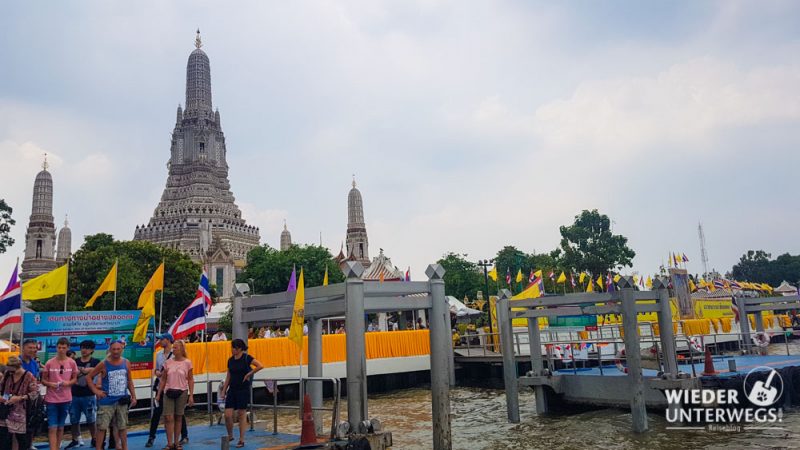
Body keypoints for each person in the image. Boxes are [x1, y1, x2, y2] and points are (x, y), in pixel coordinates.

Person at [87, 341, 136, 450]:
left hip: (122, 400)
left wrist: (134, 396)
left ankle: (124, 447)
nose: (116, 351)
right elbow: (89, 377)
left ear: (122, 349)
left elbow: (129, 380)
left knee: (122, 427)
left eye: (118, 349)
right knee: (101, 427)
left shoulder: (126, 362)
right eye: (113, 349)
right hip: (106, 402)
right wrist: (96, 391)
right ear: (110, 349)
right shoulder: (103, 363)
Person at [146, 333, 188, 448]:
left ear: (168, 340)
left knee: (178, 413)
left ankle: (183, 435)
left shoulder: (176, 356)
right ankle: (151, 436)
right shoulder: (159, 355)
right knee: (158, 413)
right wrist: (157, 373)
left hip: (175, 386)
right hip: (162, 387)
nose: (160, 341)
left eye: (162, 339)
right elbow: (157, 369)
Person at [221, 339, 264, 448]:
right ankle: (230, 435)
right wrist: (224, 390)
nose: (232, 350)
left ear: (239, 348)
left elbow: (260, 365)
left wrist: (249, 374)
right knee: (227, 414)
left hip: (243, 389)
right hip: (232, 389)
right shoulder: (230, 360)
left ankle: (241, 439)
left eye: (234, 348)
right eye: (232, 347)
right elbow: (228, 376)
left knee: (241, 413)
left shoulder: (246, 358)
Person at [42, 337, 79, 450]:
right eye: (59, 347)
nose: (61, 349)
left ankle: (57, 447)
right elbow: (43, 380)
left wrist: (67, 383)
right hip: (51, 399)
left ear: (68, 348)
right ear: (56, 347)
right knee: (52, 427)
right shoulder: (49, 362)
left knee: (61, 426)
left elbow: (74, 379)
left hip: (66, 398)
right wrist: (50, 384)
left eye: (64, 347)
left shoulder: (72, 362)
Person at [156, 340, 193, 450]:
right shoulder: (168, 363)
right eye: (173, 347)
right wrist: (159, 394)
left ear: (181, 349)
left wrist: (191, 395)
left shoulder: (187, 363)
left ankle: (177, 442)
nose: (174, 349)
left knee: (178, 416)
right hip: (168, 391)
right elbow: (163, 380)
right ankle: (169, 442)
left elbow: (190, 379)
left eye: (176, 348)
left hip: (182, 391)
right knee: (168, 417)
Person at [66, 340, 100, 449]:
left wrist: (89, 370)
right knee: (74, 419)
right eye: (82, 347)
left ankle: (94, 439)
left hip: (89, 394)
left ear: (92, 350)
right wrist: (83, 371)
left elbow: (101, 371)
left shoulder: (96, 361)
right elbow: (69, 374)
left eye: (87, 348)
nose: (84, 350)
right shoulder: (73, 361)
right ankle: (75, 439)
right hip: (74, 394)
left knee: (91, 419)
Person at [0, 356, 38, 450]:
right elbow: (1, 388)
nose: (11, 373)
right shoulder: (8, 374)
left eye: (14, 371)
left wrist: (20, 398)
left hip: (22, 414)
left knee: (23, 441)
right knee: (4, 441)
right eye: (10, 371)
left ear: (19, 366)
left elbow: (35, 393)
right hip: (6, 411)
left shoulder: (29, 376)